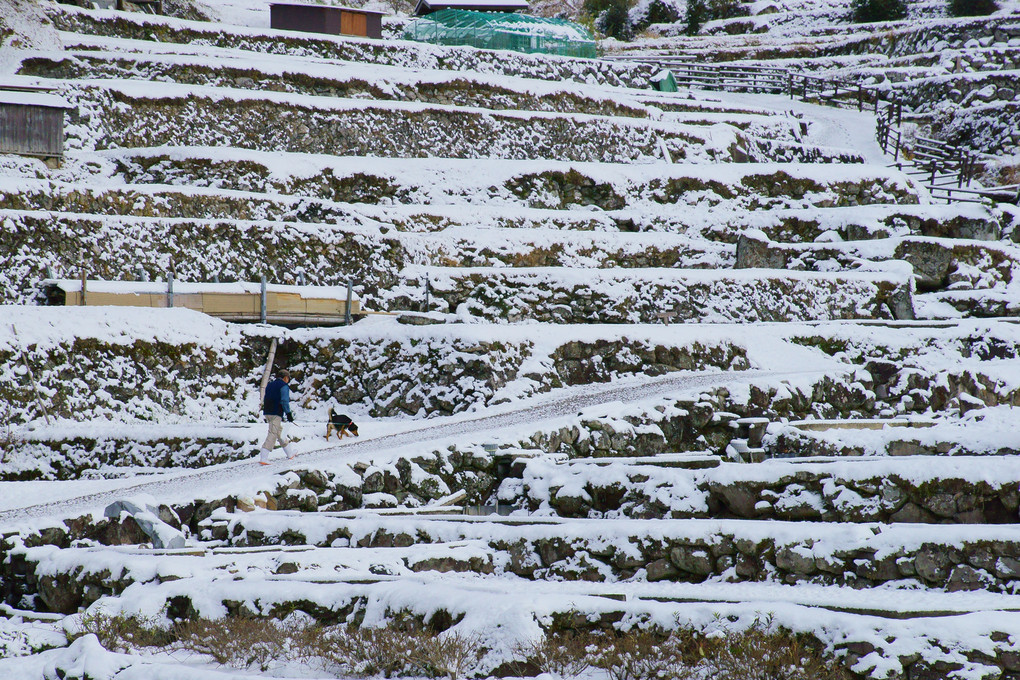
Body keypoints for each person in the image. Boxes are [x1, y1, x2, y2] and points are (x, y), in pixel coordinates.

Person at [259, 369, 296, 464]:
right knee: (273, 433)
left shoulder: (270, 384)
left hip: (267, 411)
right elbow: (284, 400)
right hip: (276, 413)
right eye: (288, 378)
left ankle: (290, 453)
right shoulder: (284, 386)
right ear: (285, 377)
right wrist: (288, 414)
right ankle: (264, 457)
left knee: (279, 432)